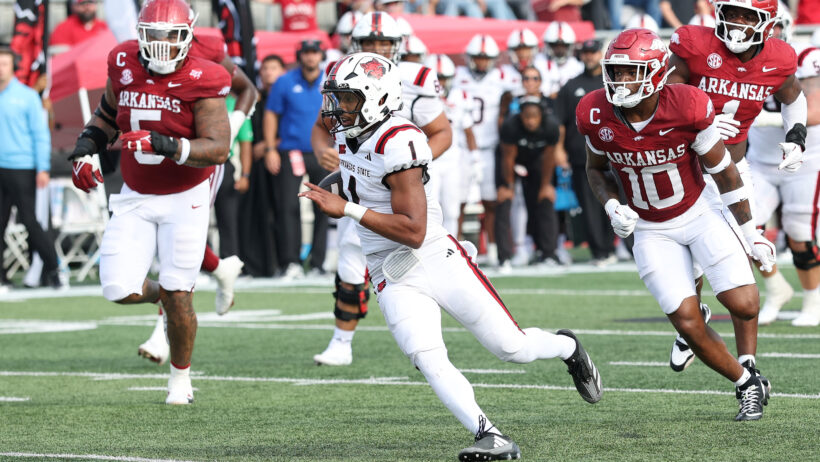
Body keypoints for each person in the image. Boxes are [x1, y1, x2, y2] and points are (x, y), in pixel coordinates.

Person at [302, 51, 602, 461]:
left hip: (433, 255)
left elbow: (413, 230)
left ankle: (567, 348)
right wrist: (334, 187)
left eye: (347, 99)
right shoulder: (350, 133)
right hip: (388, 269)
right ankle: (490, 435)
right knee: (426, 356)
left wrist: (348, 208)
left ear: (375, 98)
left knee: (511, 348)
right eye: (335, 98)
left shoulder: (400, 140)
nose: (337, 109)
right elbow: (357, 172)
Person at [579, 28, 773, 421]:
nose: (619, 81)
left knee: (745, 303)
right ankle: (746, 383)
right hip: (650, 229)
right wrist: (612, 205)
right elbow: (595, 170)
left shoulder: (686, 105)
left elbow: (725, 173)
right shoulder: (594, 111)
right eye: (614, 72)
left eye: (629, 72)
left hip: (699, 212)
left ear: (655, 72)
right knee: (686, 322)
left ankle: (741, 355)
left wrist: (752, 234)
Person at [69, 0, 232, 404]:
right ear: (139, 35)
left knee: (181, 293)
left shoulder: (205, 75)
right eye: (152, 35)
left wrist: (163, 143)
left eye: (169, 36)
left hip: (185, 194)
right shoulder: (123, 60)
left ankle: (180, 380)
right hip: (136, 192)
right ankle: (172, 296)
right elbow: (107, 113)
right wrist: (85, 149)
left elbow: (217, 148)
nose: (160, 45)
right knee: (117, 288)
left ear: (188, 35)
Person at [666, 0, 807, 370]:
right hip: (685, 170)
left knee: (750, 248)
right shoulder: (695, 46)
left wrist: (797, 136)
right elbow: (661, 104)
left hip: (734, 169)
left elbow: (793, 96)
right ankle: (691, 326)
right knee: (689, 257)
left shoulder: (779, 57)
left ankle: (749, 365)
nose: (737, 23)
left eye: (748, 16)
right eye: (731, 12)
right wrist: (703, 122)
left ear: (767, 23)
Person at [311, 12, 451, 367]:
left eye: (383, 43)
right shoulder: (341, 73)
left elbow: (442, 132)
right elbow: (320, 125)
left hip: (405, 184)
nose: (377, 49)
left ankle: (437, 328)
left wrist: (408, 166)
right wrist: (323, 152)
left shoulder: (417, 77)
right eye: (369, 43)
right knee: (349, 252)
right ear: (355, 45)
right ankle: (342, 341)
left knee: (422, 251)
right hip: (361, 181)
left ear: (398, 46)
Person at [136, 26, 259, 366]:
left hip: (199, 157)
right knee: (171, 238)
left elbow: (248, 88)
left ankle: (163, 330)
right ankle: (220, 269)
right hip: (157, 155)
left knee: (176, 240)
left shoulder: (206, 44)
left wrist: (231, 127)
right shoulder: (134, 49)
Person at [747, 6, 820, 327]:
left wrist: (765, 118)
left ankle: (814, 301)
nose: (771, 33)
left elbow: (815, 108)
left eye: (775, 26)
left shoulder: (805, 56)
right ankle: (776, 288)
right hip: (759, 162)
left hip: (804, 160)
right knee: (745, 231)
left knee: (800, 236)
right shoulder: (739, 60)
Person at [264, 39, 330, 279]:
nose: (310, 57)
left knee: (325, 207)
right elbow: (272, 114)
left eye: (314, 53)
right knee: (287, 207)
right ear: (299, 55)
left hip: (323, 152)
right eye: (306, 53)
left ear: (320, 55)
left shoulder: (331, 81)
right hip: (292, 151)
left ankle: (318, 263)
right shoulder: (285, 81)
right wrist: (271, 148)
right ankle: (290, 262)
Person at [0, 45, 61, 291]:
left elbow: (40, 134)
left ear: (12, 67)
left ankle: (54, 270)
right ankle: (2, 276)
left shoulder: (26, 96)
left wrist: (42, 168)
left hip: (22, 167)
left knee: (29, 222)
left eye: (3, 63)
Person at [555, 38, 616, 266]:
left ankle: (617, 246)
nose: (589, 56)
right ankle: (600, 251)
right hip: (582, 155)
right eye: (586, 52)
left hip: (614, 152)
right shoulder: (571, 85)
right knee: (590, 205)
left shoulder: (611, 81)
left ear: (599, 53)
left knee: (617, 201)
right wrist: (559, 150)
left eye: (592, 52)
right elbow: (560, 121)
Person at [454, 34, 512, 267]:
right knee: (457, 202)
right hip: (460, 149)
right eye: (478, 57)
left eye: (486, 58)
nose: (481, 62)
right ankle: (456, 251)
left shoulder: (502, 78)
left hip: (489, 148)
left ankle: (493, 250)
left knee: (491, 202)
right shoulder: (458, 78)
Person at [497, 97, 560, 268]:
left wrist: (546, 185)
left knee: (545, 199)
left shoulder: (551, 126)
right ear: (521, 116)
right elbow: (508, 158)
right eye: (527, 117)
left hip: (537, 160)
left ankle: (548, 253)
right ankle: (504, 257)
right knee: (504, 200)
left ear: (541, 116)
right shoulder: (510, 126)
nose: (530, 121)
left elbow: (549, 157)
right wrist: (509, 185)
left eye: (534, 116)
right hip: (510, 161)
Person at [424, 53, 477, 236]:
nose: (441, 83)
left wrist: (474, 159)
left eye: (445, 78)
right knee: (431, 208)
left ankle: (451, 247)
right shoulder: (420, 98)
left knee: (452, 209)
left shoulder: (460, 97)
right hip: (430, 157)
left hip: (454, 158)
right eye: (437, 78)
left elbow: (468, 130)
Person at [539, 22, 584, 98]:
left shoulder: (578, 67)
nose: (559, 50)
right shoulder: (539, 63)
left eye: (563, 46)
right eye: (555, 46)